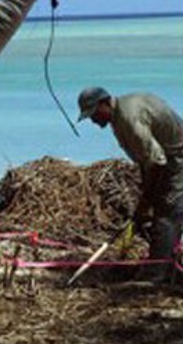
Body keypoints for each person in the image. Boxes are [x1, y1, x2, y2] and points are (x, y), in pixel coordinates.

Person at [77, 87, 183, 283]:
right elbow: (147, 160)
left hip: (177, 160)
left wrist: (146, 200)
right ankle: (166, 267)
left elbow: (157, 162)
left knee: (167, 215)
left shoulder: (129, 118)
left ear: (105, 103)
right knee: (163, 213)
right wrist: (146, 199)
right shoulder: (119, 117)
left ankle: (155, 275)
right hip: (167, 161)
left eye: (94, 114)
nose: (93, 120)